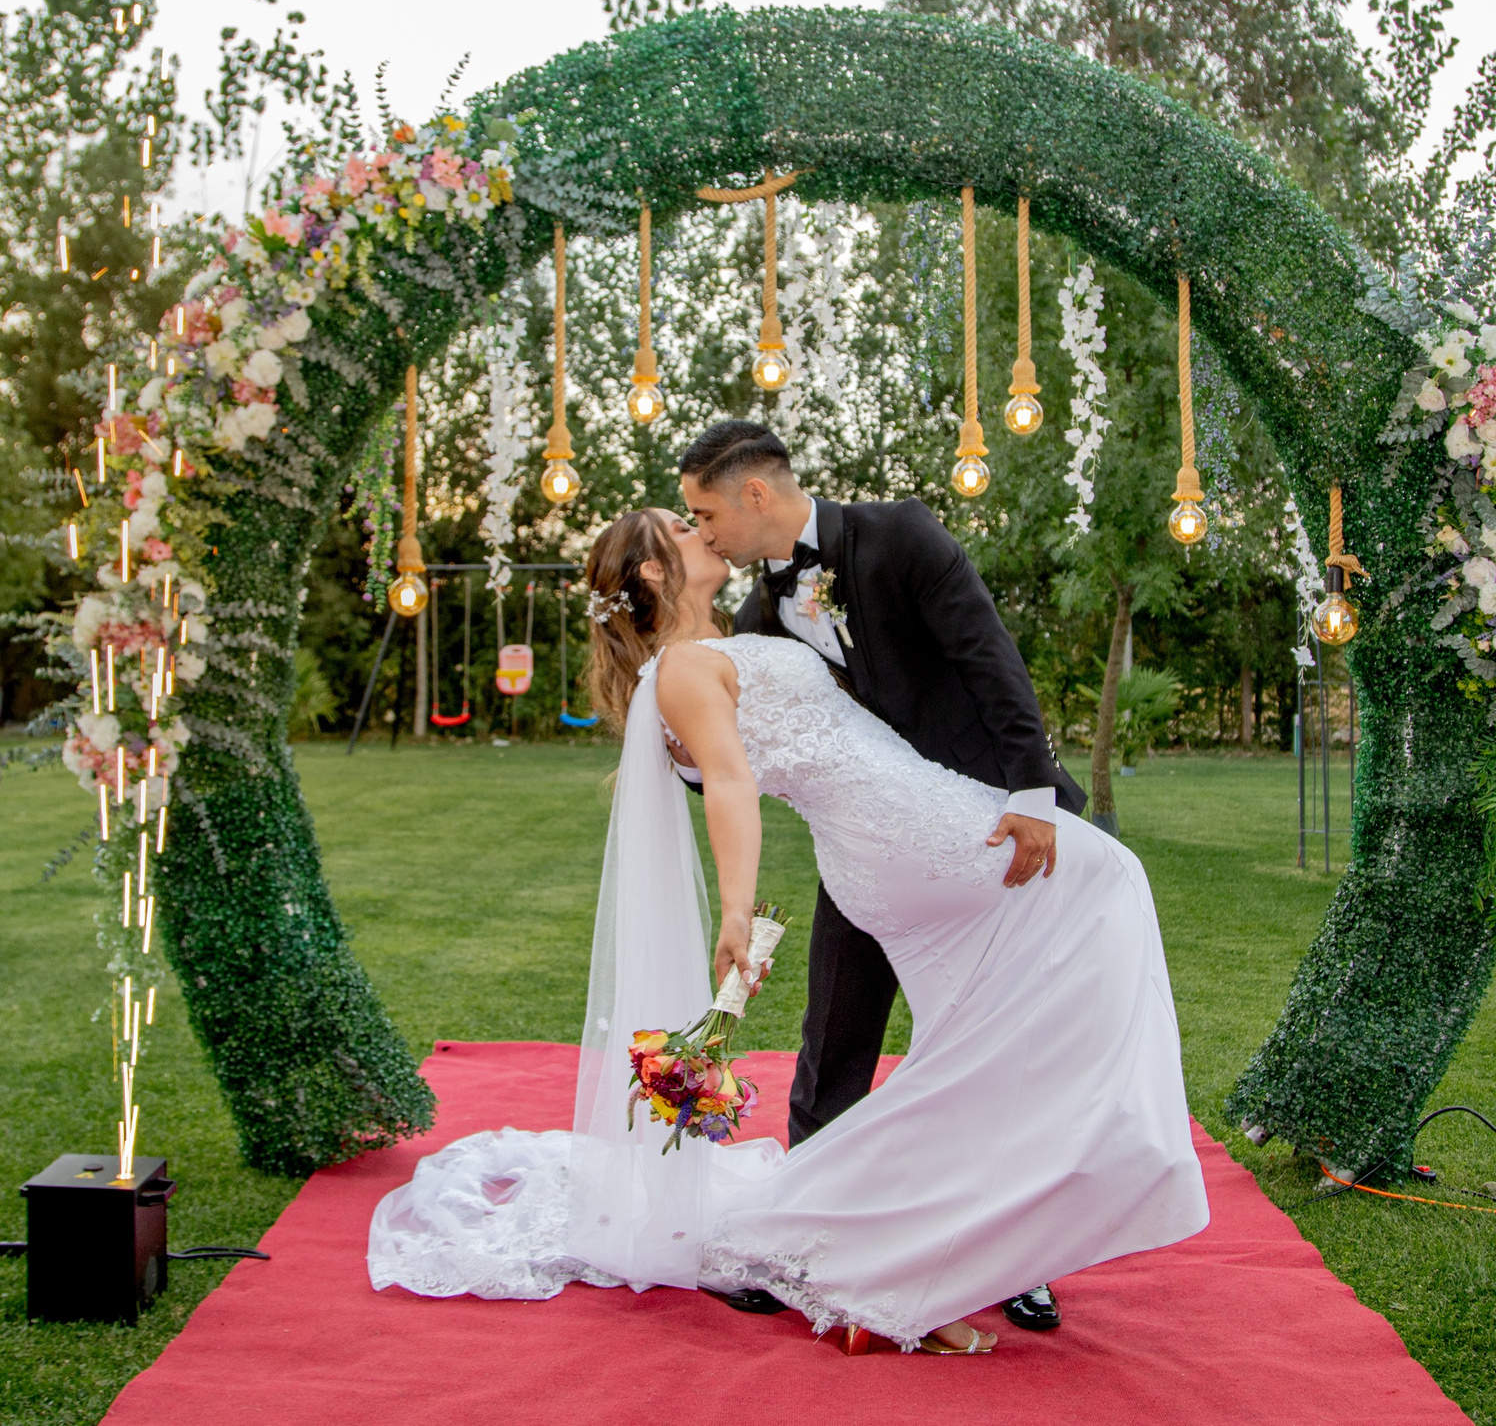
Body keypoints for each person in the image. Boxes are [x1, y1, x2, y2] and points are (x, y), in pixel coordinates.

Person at [365, 495, 1207, 1354]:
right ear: (655, 568)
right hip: (902, 834)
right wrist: (736, 910)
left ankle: (960, 1249)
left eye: (703, 514)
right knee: (1106, 881)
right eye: (686, 526)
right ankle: (900, 1246)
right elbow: (729, 782)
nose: (706, 531)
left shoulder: (731, 631)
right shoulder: (685, 671)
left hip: (896, 831)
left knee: (974, 1032)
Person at [672, 419, 1085, 1332]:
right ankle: (804, 1240)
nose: (703, 533)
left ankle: (1022, 1253)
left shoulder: (900, 533)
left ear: (754, 493)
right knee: (834, 1036)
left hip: (987, 832)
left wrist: (1032, 791)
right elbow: (730, 740)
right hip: (869, 849)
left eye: (706, 512)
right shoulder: (757, 613)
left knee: (994, 1044)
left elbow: (987, 653)